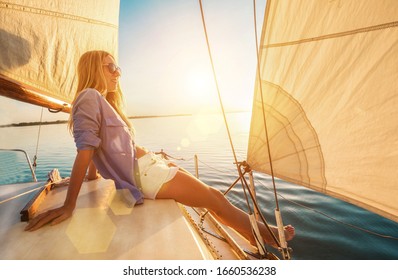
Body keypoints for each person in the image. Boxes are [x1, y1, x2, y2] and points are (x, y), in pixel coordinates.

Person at [25, 50, 295, 248]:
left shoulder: (100, 101)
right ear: (94, 68)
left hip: (150, 168)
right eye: (111, 67)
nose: (118, 72)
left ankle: (251, 232)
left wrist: (91, 178)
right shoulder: (90, 96)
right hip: (146, 174)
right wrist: (70, 205)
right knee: (212, 197)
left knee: (211, 198)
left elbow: (94, 150)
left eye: (117, 66)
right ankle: (264, 233)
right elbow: (86, 148)